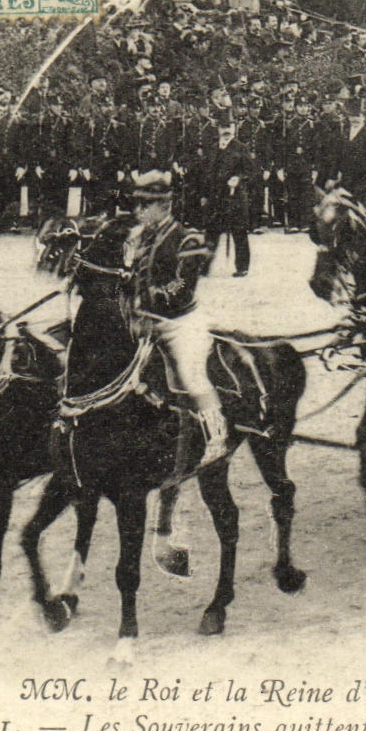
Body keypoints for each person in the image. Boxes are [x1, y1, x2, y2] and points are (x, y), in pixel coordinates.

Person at [123, 171, 227, 474]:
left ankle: (216, 437)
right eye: (138, 204)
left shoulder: (187, 238)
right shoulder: (138, 237)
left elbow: (182, 287)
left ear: (165, 205)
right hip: (144, 324)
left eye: (146, 205)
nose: (139, 211)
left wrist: (148, 299)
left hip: (180, 323)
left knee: (191, 374)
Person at [201, 118, 255, 278]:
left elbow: (250, 172)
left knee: (239, 231)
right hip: (215, 196)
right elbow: (206, 173)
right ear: (218, 129)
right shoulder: (212, 148)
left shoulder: (241, 148)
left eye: (229, 127)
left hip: (234, 197)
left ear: (234, 128)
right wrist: (204, 195)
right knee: (211, 231)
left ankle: (242, 267)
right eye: (223, 127)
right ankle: (204, 266)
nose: (226, 131)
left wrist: (238, 178)